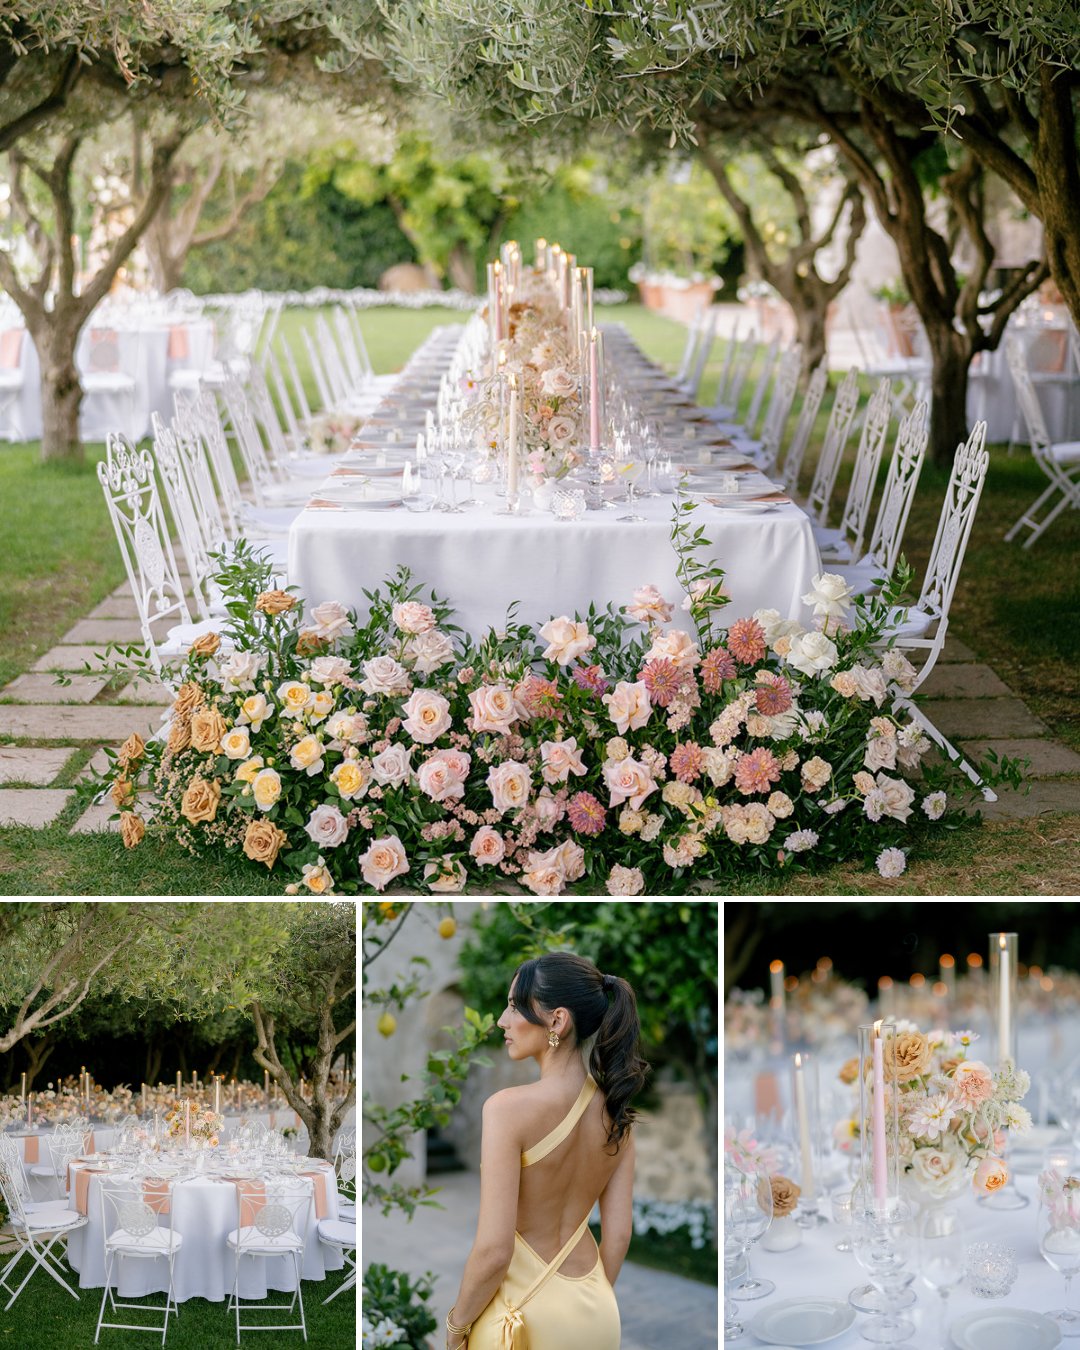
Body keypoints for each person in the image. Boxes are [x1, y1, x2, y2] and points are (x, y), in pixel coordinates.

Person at [444, 952, 649, 1350]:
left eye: (514, 1007)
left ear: (556, 1020)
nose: (502, 1021)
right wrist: (583, 1306)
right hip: (597, 1313)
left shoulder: (506, 1110)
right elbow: (619, 1235)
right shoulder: (616, 1114)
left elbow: (493, 1250)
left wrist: (456, 1328)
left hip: (524, 1323)